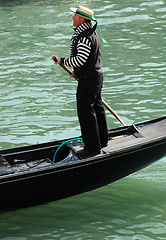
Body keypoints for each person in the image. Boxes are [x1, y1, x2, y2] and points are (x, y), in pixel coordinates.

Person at [52, 6, 108, 157]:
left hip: (89, 80)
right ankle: (102, 140)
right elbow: (87, 61)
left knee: (86, 112)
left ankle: (92, 147)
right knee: (97, 108)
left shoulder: (84, 37)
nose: (73, 18)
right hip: (95, 77)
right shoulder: (92, 34)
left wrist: (62, 60)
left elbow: (80, 60)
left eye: (75, 16)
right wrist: (77, 72)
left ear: (82, 19)